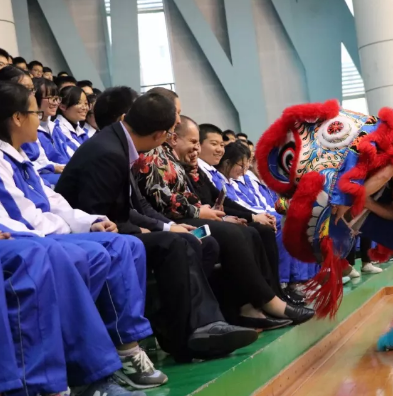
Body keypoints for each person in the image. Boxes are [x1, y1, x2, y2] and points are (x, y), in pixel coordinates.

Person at [56, 88, 259, 361]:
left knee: (189, 239)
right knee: (176, 244)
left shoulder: (118, 143)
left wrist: (164, 227)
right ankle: (184, 336)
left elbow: (127, 209)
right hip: (90, 235)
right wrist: (151, 230)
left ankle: (203, 326)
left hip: (113, 227)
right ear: (159, 136)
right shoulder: (108, 153)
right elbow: (98, 218)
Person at [0, 81, 168, 389]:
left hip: (44, 233)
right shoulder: (3, 162)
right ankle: (88, 375)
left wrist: (90, 222)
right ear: (17, 118)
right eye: (36, 111)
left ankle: (125, 345)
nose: (41, 117)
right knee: (66, 254)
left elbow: (55, 204)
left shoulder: (21, 159)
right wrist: (68, 232)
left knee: (124, 245)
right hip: (33, 238)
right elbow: (24, 220)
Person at [132, 88, 314, 329]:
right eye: (175, 113)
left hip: (188, 218)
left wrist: (216, 211)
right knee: (230, 233)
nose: (177, 118)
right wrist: (204, 213)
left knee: (252, 230)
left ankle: (261, 301)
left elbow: (201, 197)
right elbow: (163, 200)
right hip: (174, 225)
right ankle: (264, 302)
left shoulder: (176, 157)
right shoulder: (151, 153)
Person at [0, 229, 150, 396]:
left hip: (34, 225)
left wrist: (91, 222)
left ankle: (85, 378)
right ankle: (39, 389)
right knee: (33, 255)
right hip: (21, 229)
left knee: (95, 254)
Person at [219, 142, 318, 298]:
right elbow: (243, 205)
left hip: (260, 213)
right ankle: (287, 282)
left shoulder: (251, 178)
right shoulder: (231, 179)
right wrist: (265, 214)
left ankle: (307, 278)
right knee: (284, 221)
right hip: (246, 218)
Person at [53, 85, 89, 158]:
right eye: (78, 103)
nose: (84, 108)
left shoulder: (80, 130)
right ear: (62, 106)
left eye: (86, 103)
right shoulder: (56, 129)